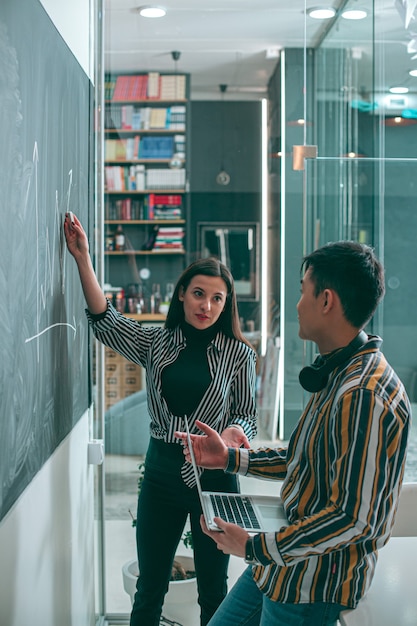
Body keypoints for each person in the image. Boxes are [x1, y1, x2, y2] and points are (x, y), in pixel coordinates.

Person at [175, 241, 411, 626]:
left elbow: (352, 520)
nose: (297, 304)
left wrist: (254, 545)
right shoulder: (338, 372)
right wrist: (230, 458)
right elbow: (306, 458)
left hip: (310, 587)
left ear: (326, 300)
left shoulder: (363, 395)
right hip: (280, 564)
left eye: (303, 290)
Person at [63, 212, 258, 626]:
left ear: (227, 304)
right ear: (182, 295)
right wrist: (83, 260)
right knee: (150, 586)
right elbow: (107, 323)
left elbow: (246, 415)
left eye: (217, 298)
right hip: (162, 474)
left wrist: (233, 434)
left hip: (217, 479)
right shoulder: (156, 341)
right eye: (199, 294)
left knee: (214, 590)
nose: (207, 305)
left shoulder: (240, 354)